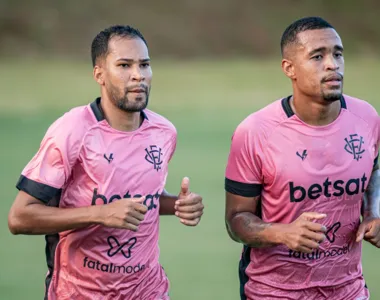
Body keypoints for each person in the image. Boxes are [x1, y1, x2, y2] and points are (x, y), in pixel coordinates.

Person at [8, 25, 204, 300]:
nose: (138, 75)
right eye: (124, 65)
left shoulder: (164, 132)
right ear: (99, 74)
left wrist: (177, 205)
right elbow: (19, 217)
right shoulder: (72, 130)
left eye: (144, 64)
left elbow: (139, 201)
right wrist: (99, 214)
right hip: (78, 292)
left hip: (149, 290)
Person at [224, 16, 380, 300]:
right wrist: (282, 233)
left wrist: (373, 212)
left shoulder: (367, 119)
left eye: (338, 54)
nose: (332, 64)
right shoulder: (255, 132)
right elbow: (236, 220)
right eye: (317, 56)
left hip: (349, 290)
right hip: (274, 292)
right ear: (289, 68)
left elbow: (374, 168)